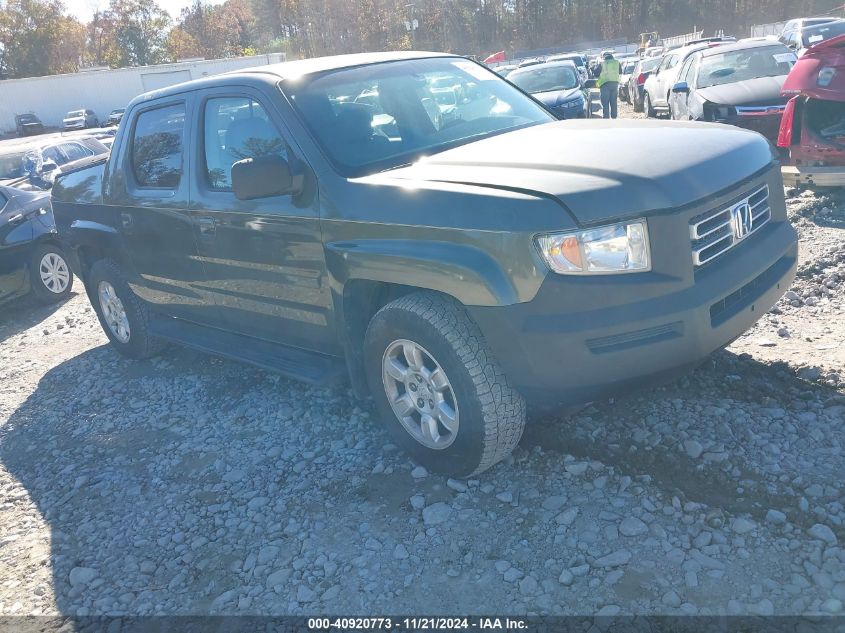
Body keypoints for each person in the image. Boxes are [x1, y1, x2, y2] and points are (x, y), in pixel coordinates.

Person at [597, 51, 621, 119]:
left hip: (605, 84)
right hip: (615, 84)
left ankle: (606, 118)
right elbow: (620, 71)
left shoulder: (602, 63)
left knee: (605, 102)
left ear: (604, 57)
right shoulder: (617, 62)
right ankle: (614, 117)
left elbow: (596, 72)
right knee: (613, 102)